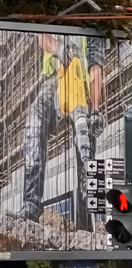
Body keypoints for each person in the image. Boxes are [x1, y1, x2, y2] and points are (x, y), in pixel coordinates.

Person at [20, 31, 108, 227]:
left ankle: (86, 221)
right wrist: (60, 49)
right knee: (35, 122)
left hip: (80, 85)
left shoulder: (94, 29)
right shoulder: (55, 15)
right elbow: (41, 36)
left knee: (86, 142)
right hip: (54, 79)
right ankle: (31, 207)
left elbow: (95, 70)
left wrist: (94, 110)